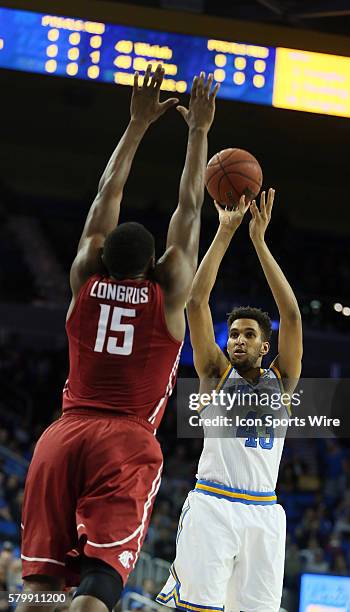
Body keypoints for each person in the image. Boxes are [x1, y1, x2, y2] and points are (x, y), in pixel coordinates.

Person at [18, 65, 220, 612]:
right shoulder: (169, 294)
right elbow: (190, 209)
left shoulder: (84, 276)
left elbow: (108, 193)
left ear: (101, 253)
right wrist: (198, 130)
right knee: (100, 581)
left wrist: (134, 126)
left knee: (39, 587)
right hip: (125, 440)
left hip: (62, 435)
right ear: (156, 264)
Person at [157, 189, 303, 611]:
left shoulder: (284, 381)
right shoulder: (214, 372)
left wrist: (260, 242)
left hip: (264, 511)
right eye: (235, 333)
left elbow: (291, 315)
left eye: (249, 334)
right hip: (213, 505)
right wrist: (224, 232)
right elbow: (197, 301)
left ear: (264, 346)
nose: (238, 339)